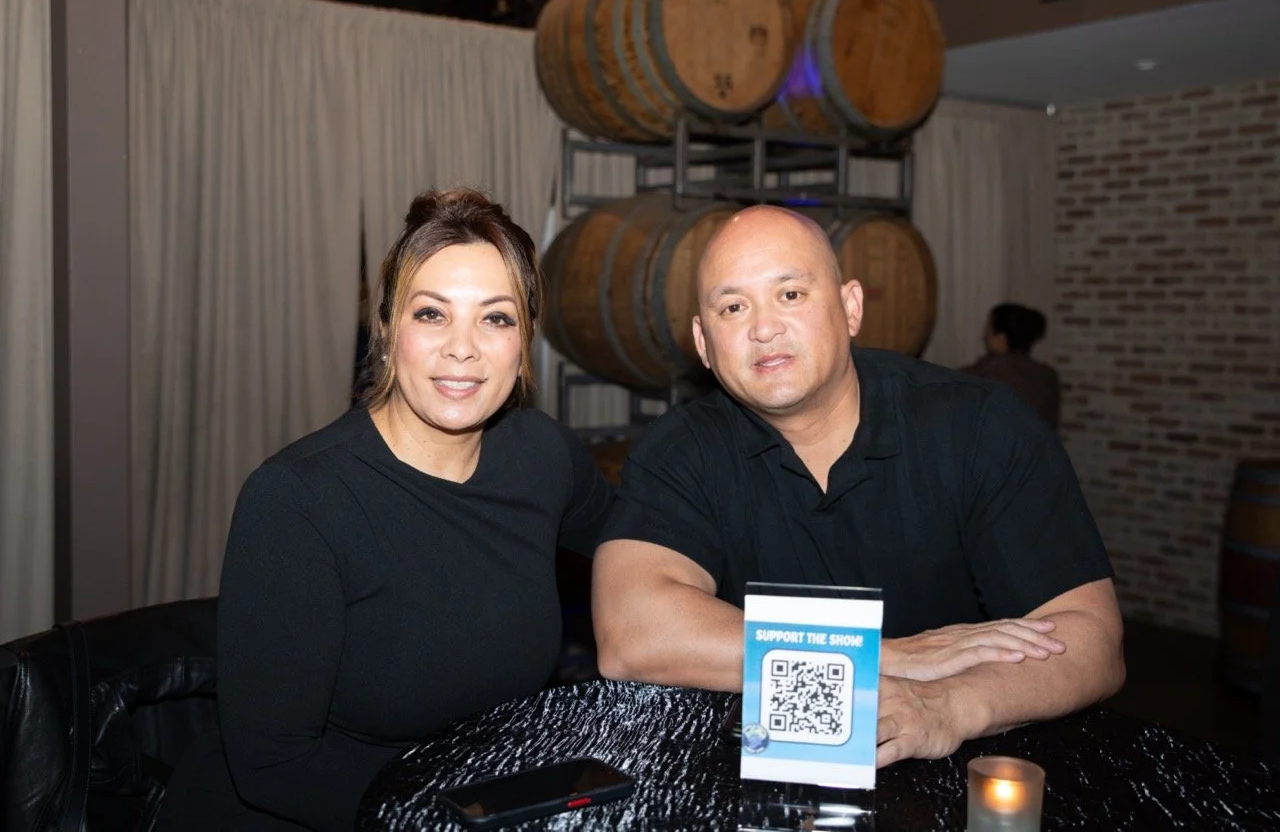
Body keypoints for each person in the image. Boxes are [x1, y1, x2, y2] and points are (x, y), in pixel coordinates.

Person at [591, 206, 1124, 769]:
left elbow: (1092, 638)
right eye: (733, 307)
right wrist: (877, 657)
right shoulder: (680, 448)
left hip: (968, 769)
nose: (763, 328)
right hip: (762, 772)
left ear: (851, 308)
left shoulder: (979, 425)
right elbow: (632, 632)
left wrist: (948, 704)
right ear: (703, 342)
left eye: (790, 295)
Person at [160, 189, 613, 831]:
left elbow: (645, 547)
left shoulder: (543, 456)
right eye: (431, 314)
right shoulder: (298, 499)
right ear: (386, 329)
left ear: (525, 340)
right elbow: (273, 764)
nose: (462, 348)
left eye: (496, 318)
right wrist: (461, 815)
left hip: (477, 800)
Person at [963, 303, 1061, 430]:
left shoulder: (988, 371)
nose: (984, 337)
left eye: (988, 330)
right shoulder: (1048, 375)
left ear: (1001, 337)